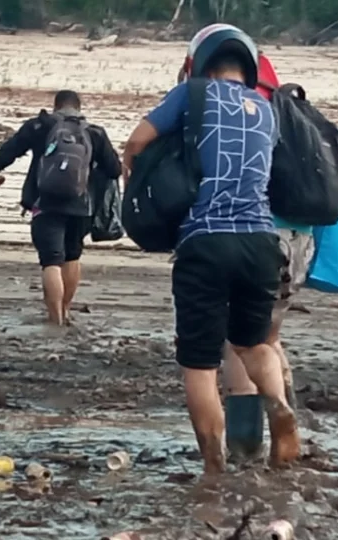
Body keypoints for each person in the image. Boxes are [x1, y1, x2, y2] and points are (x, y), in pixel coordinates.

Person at [123, 25, 300, 475]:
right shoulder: (266, 107)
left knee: (200, 364)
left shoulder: (191, 94)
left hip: (205, 239)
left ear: (200, 61)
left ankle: (214, 468)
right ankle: (278, 407)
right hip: (262, 241)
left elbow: (138, 140)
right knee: (253, 342)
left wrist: (134, 176)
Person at [0, 90, 121, 326]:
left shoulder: (39, 126)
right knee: (72, 257)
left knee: (51, 262)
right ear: (79, 108)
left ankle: (55, 318)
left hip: (45, 204)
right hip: (82, 207)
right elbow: (114, 170)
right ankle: (66, 310)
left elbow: (9, 152)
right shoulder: (95, 132)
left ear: (55, 106)